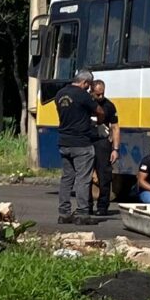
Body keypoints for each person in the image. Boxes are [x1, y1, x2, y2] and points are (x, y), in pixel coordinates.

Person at [52, 66, 106, 223]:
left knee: (67, 178)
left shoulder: (60, 94)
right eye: (88, 85)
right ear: (84, 82)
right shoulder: (83, 95)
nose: (88, 87)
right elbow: (100, 111)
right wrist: (99, 123)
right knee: (83, 178)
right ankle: (82, 213)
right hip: (81, 143)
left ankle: (64, 213)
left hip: (64, 141)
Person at [91, 81, 122, 213]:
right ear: (91, 92)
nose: (101, 96)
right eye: (98, 94)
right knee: (86, 176)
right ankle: (86, 206)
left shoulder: (109, 106)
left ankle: (102, 207)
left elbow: (115, 128)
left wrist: (115, 149)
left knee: (105, 176)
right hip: (86, 141)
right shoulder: (86, 103)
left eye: (103, 93)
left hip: (102, 143)